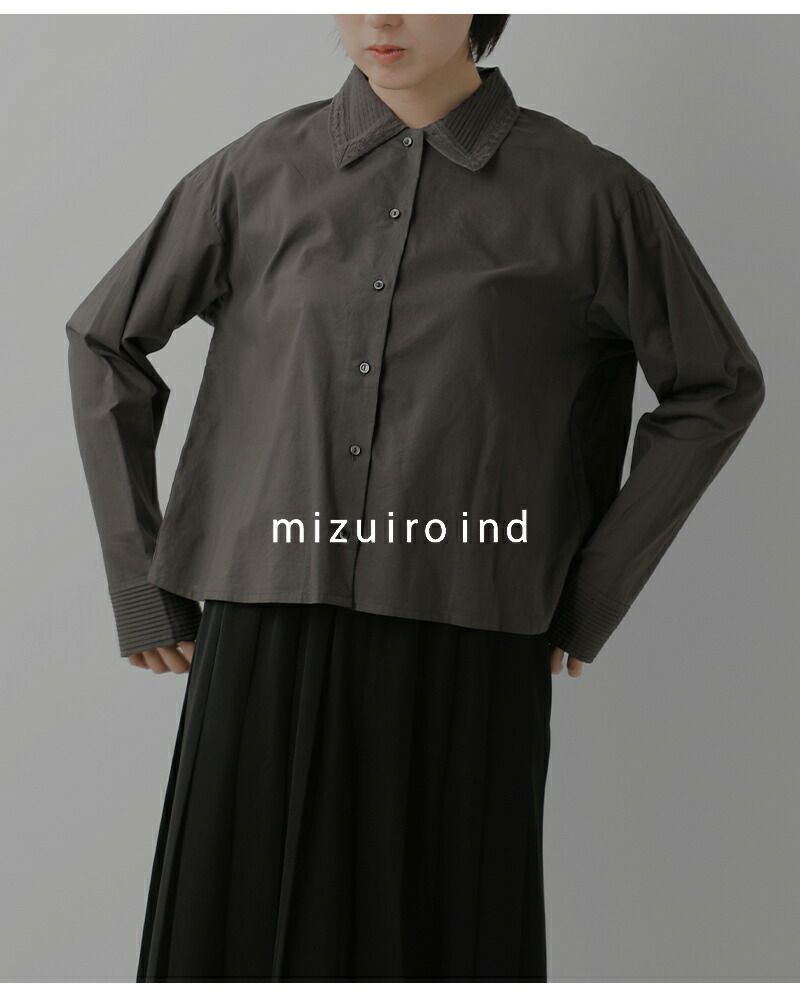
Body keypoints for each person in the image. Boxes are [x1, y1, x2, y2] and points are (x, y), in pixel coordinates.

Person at [65, 13, 766, 983]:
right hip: (265, 620)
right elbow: (104, 340)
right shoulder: (257, 170)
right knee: (234, 942)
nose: (380, 18)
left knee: (442, 942)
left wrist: (590, 591)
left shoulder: (590, 195)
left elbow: (715, 387)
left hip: (470, 634)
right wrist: (138, 577)